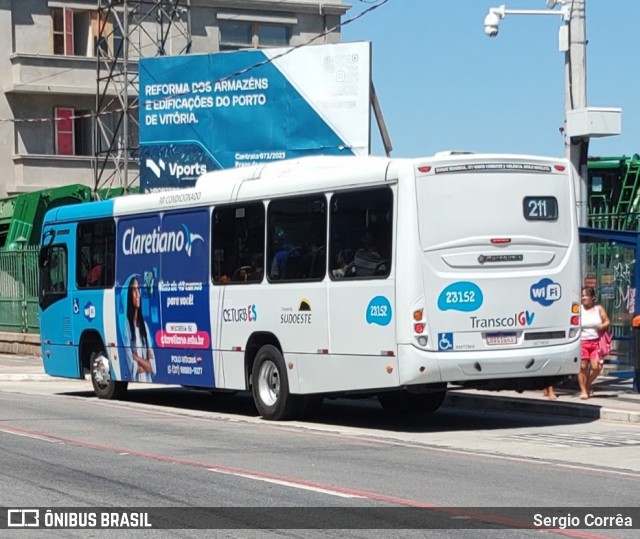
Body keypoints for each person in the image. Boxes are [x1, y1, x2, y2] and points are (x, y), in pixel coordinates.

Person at [578, 286, 610, 400]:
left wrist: (602, 326)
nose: (584, 298)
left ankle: (587, 385)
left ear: (592, 298)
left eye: (586, 295)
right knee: (582, 367)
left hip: (596, 342)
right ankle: (583, 390)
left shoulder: (598, 309)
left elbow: (607, 321)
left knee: (597, 367)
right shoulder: (578, 309)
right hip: (582, 341)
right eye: (582, 296)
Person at [124, 277, 156, 383]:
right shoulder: (127, 326)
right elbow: (130, 366)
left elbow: (153, 368)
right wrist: (146, 364)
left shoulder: (144, 326)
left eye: (138, 289)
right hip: (137, 380)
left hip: (148, 380)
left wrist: (136, 358)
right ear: (129, 294)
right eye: (134, 290)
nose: (138, 294)